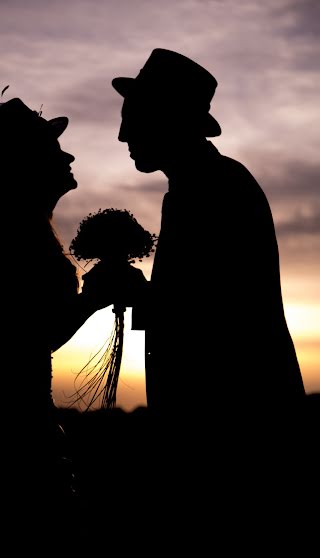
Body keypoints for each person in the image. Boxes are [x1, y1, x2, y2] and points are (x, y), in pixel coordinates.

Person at [0, 96, 142, 558]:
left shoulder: (22, 227)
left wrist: (94, 295)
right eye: (53, 149)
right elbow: (25, 339)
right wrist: (93, 297)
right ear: (28, 164)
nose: (68, 158)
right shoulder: (16, 232)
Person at [111, 48, 306, 416]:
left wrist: (140, 295)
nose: (122, 135)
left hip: (235, 411)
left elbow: (212, 318)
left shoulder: (216, 188)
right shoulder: (203, 183)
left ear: (168, 119)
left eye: (133, 118)